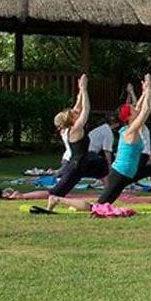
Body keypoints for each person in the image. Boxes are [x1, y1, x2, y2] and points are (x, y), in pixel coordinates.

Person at [50, 75, 151, 211]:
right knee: (97, 208)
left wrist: (144, 91)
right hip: (120, 175)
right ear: (130, 117)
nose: (136, 109)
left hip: (127, 173)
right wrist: (149, 89)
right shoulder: (131, 130)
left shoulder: (130, 126)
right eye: (133, 110)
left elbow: (140, 108)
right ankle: (59, 199)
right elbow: (146, 110)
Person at [35, 75, 110, 208]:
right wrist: (85, 90)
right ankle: (21, 196)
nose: (76, 112)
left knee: (102, 168)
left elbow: (78, 106)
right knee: (55, 192)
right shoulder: (75, 129)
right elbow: (85, 109)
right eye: (74, 113)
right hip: (76, 166)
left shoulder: (66, 128)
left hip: (83, 162)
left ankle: (108, 197)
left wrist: (80, 89)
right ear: (70, 119)